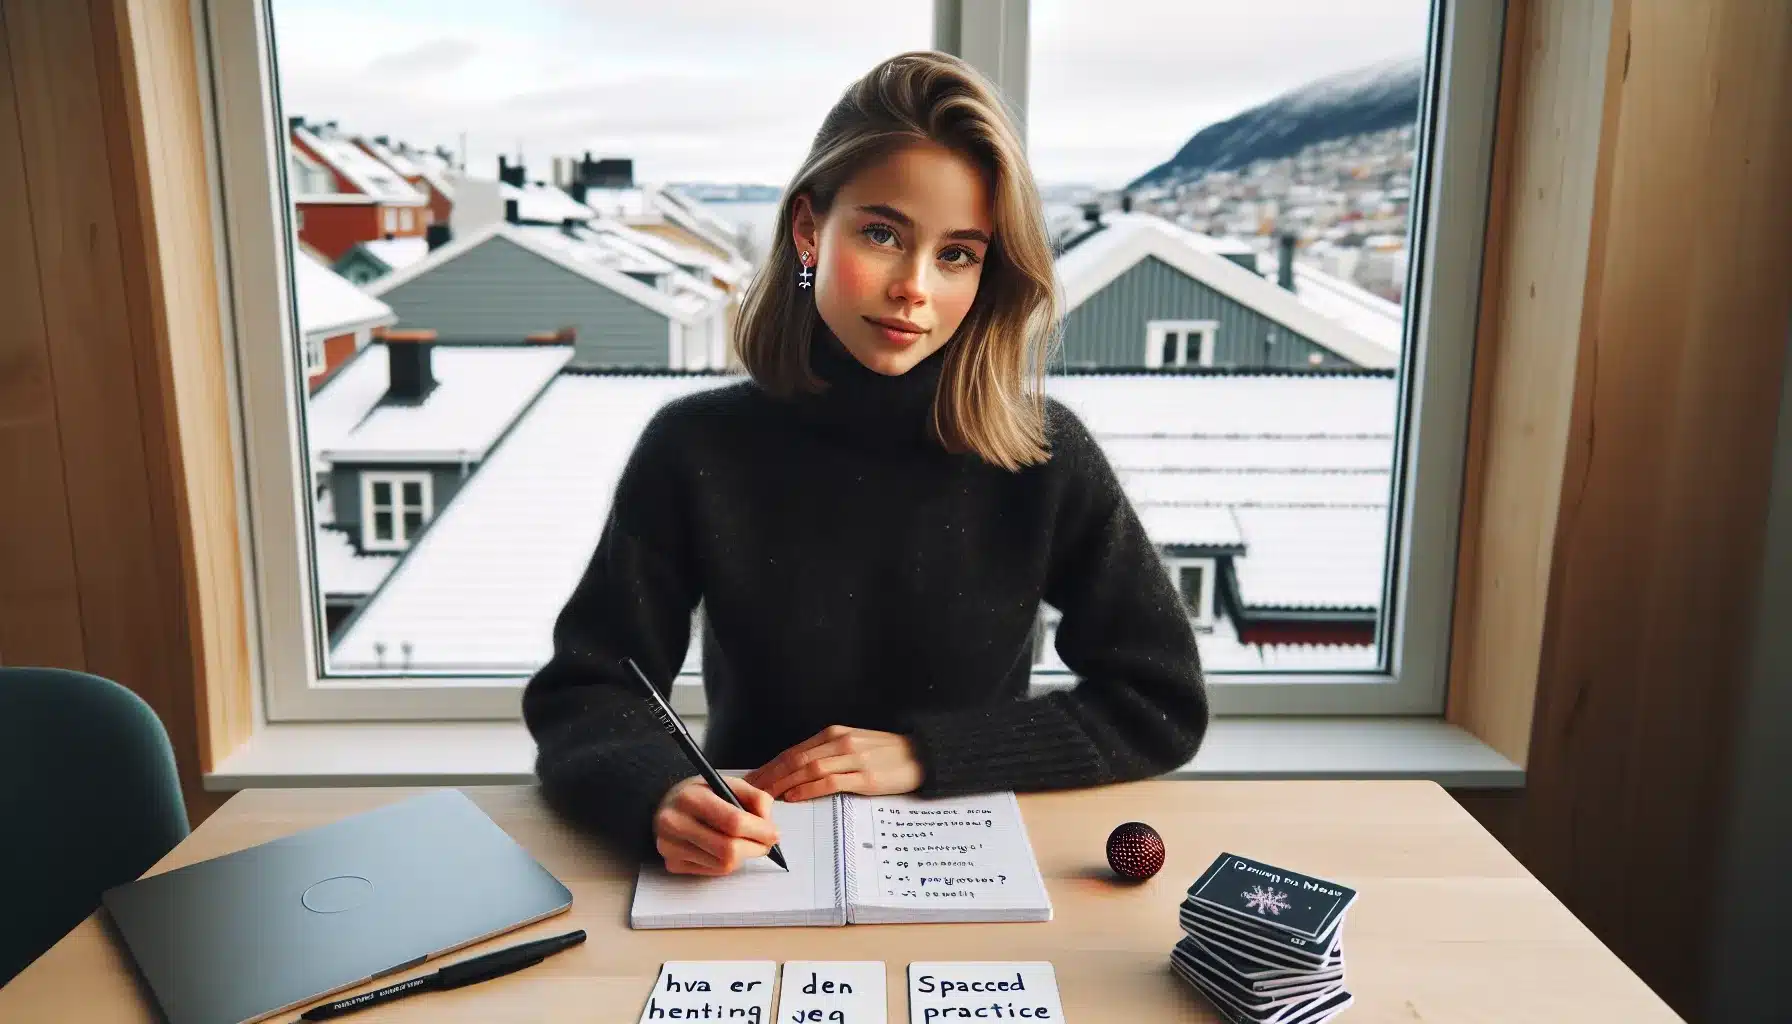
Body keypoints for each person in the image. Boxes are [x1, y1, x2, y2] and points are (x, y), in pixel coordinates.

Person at [523, 50, 1208, 877]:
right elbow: (587, 692)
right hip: (745, 875)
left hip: (971, 872)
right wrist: (659, 795)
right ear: (810, 229)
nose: (914, 287)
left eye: (958, 253)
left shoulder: (1044, 453)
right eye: (883, 234)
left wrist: (925, 755)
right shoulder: (694, 449)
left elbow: (1159, 702)